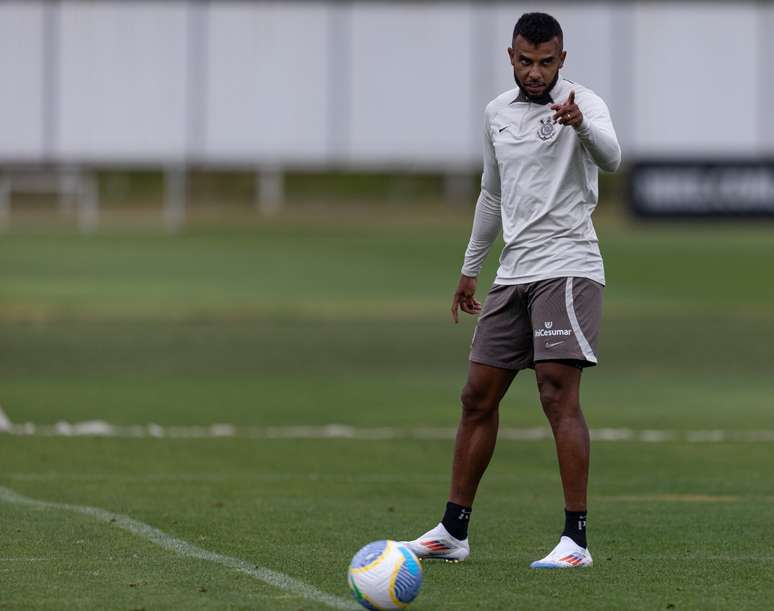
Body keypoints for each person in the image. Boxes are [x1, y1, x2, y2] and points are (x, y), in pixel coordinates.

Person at [403, 12, 621, 569]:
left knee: (555, 391)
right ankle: (453, 531)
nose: (535, 72)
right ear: (511, 56)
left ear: (562, 60)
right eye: (526, 61)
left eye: (546, 62)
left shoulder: (582, 103)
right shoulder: (497, 113)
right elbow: (492, 195)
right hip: (514, 272)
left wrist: (578, 125)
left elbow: (613, 158)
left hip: (568, 266)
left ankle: (576, 541)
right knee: (477, 395)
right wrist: (470, 268)